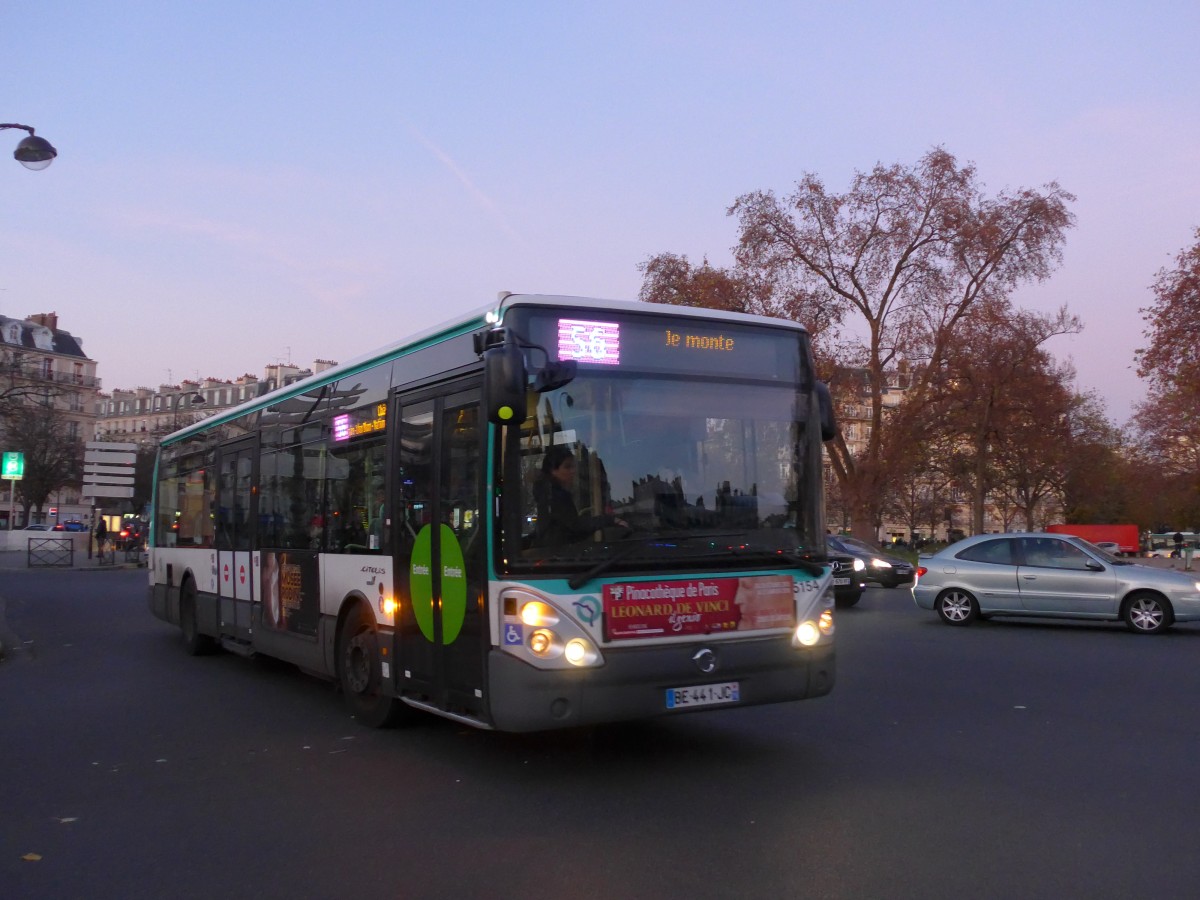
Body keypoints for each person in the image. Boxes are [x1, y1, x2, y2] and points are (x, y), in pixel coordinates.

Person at [533, 446, 627, 548]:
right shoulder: (554, 496)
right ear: (553, 471)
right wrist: (610, 520)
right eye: (567, 467)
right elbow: (576, 526)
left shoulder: (549, 492)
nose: (573, 471)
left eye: (573, 466)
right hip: (559, 553)